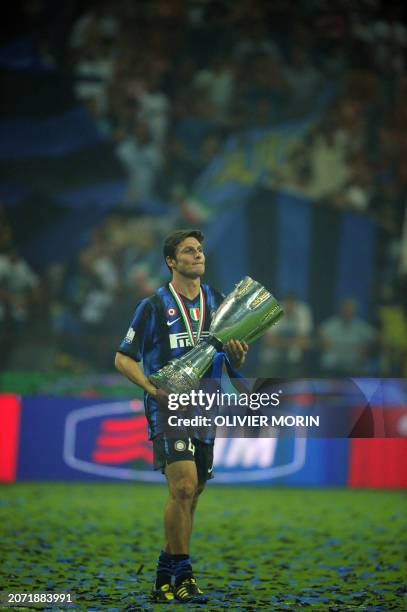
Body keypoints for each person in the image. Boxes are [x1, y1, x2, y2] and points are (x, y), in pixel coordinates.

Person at [114, 229, 248, 603]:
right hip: (168, 403)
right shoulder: (153, 306)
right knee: (184, 486)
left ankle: (164, 574)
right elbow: (123, 358)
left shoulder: (218, 301)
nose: (198, 255)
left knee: (193, 492)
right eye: (189, 251)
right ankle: (185, 576)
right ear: (171, 262)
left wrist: (237, 356)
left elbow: (230, 356)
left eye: (200, 250)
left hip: (206, 403)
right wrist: (153, 389)